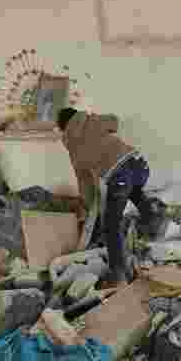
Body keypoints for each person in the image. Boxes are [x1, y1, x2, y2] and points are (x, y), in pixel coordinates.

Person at [57, 107, 158, 285]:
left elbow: (85, 181)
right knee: (134, 190)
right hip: (140, 164)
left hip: (120, 176)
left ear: (63, 128)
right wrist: (96, 119)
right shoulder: (94, 121)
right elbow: (114, 121)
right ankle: (154, 218)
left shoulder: (73, 147)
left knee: (111, 225)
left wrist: (87, 204)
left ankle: (118, 273)